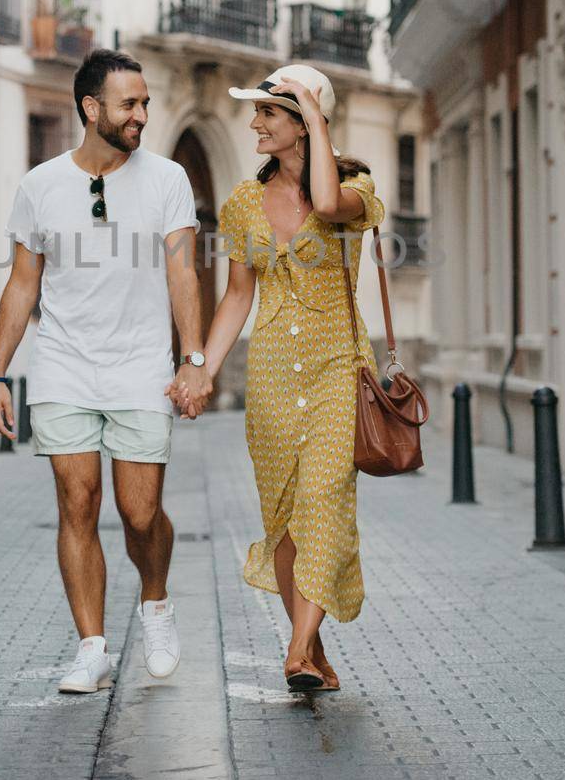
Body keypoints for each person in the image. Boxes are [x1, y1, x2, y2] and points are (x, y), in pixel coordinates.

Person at [0, 49, 214, 695]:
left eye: (145, 103)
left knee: (140, 513)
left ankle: (157, 600)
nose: (142, 114)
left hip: (141, 365)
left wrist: (193, 359)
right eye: (129, 104)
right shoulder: (40, 186)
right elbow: (22, 284)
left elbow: (181, 273)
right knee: (76, 501)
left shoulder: (167, 180)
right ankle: (92, 646)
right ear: (91, 109)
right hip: (62, 364)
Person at [181, 63, 385, 692]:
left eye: (270, 112)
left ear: (304, 121)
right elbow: (238, 296)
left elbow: (326, 204)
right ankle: (315, 650)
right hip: (271, 373)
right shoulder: (243, 202)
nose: (255, 123)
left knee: (324, 501)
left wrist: (315, 115)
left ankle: (294, 650)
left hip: (337, 370)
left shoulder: (357, 187)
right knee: (285, 519)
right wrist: (202, 370)